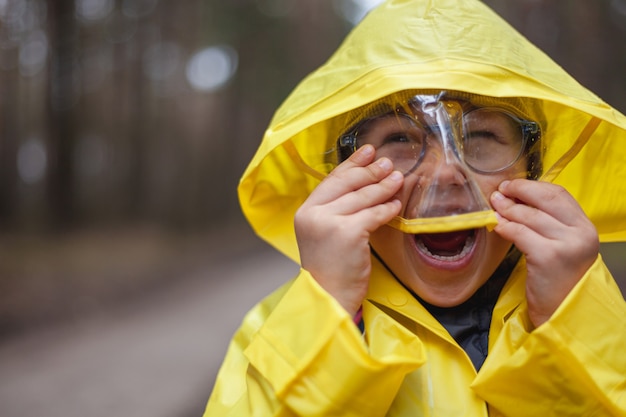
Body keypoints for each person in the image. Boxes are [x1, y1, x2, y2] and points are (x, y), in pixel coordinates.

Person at [204, 0, 626, 415]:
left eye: (480, 136)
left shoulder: (597, 314)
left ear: (533, 170)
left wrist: (570, 325)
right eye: (401, 140)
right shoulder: (275, 333)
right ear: (344, 180)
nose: (446, 173)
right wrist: (327, 320)